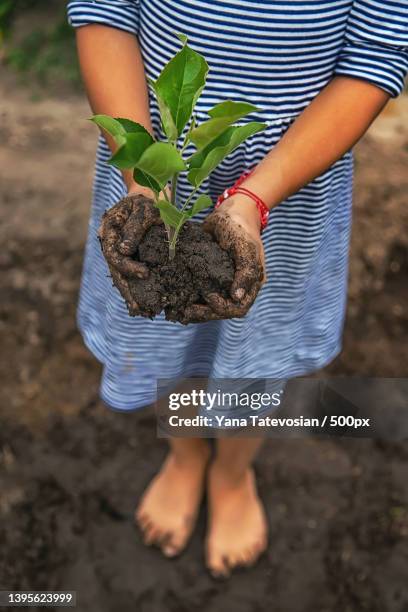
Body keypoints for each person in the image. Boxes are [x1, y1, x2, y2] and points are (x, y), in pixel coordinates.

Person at [67, 0, 408, 577]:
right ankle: (185, 455)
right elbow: (105, 13)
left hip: (287, 190)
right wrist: (145, 183)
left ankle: (231, 471)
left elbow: (375, 57)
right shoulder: (145, 184)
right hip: (149, 180)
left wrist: (254, 199)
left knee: (254, 353)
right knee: (158, 325)